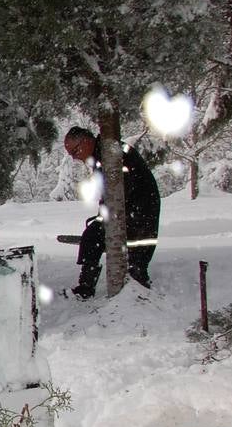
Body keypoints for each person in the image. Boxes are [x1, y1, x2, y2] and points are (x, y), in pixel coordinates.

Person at [62, 126, 160, 298]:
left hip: (140, 210)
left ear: (86, 141)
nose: (74, 157)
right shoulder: (101, 154)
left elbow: (122, 189)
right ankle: (86, 286)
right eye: (70, 154)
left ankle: (139, 293)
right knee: (92, 237)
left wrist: (109, 214)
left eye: (75, 151)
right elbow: (109, 192)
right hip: (124, 210)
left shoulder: (111, 154)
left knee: (137, 253)